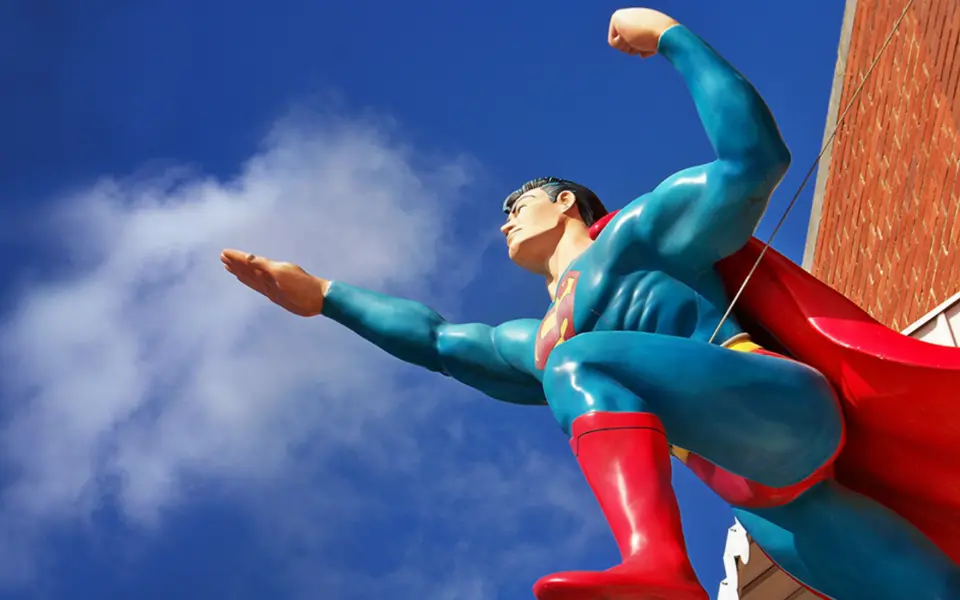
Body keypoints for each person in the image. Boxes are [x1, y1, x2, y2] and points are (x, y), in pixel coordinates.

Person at [222, 8, 960, 600]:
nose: (505, 219)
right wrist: (324, 296)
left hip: (776, 405)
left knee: (581, 364)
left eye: (519, 203)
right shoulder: (536, 339)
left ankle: (657, 562)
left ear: (566, 202)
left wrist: (672, 37)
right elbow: (440, 342)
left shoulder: (639, 238)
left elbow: (753, 159)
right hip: (766, 498)